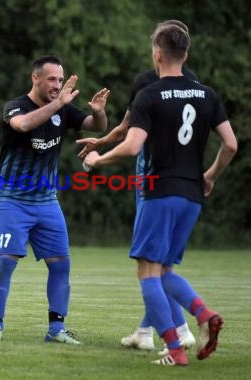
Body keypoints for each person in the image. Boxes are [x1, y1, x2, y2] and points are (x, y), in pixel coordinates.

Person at [83, 24, 237, 366]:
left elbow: (133, 145)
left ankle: (175, 347)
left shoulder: (149, 95)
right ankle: (202, 314)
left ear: (157, 52)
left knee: (148, 273)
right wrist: (210, 175)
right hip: (192, 196)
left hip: (158, 191)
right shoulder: (206, 94)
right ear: (186, 54)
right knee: (165, 270)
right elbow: (231, 144)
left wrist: (98, 158)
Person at [77, 20, 197, 355]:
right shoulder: (195, 85)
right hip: (185, 183)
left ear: (158, 50)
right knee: (159, 263)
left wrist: (99, 152)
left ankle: (181, 330)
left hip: (152, 182)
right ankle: (146, 331)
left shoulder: (147, 84)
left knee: (151, 264)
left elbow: (128, 133)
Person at [0, 56, 110, 344]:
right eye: (52, 79)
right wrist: (60, 103)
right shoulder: (15, 106)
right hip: (11, 201)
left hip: (46, 202)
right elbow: (23, 125)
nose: (57, 85)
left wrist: (99, 112)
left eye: (60, 79)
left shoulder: (62, 109)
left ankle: (56, 330)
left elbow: (96, 126)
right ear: (35, 79)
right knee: (6, 263)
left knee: (61, 264)